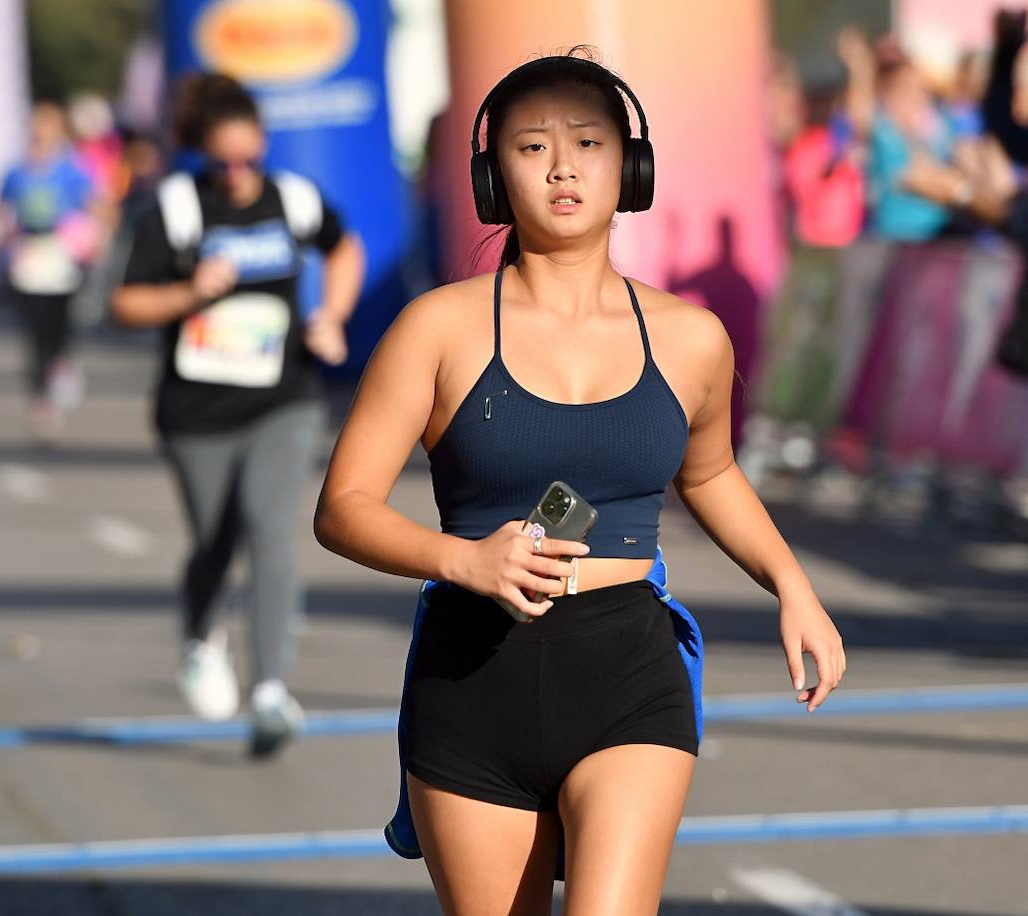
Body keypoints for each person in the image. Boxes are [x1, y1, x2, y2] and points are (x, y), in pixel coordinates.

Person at [312, 50, 846, 913]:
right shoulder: (436, 328)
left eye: (589, 143)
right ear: (491, 181)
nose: (563, 167)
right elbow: (342, 510)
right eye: (531, 148)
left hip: (629, 673)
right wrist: (465, 561)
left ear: (628, 168)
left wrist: (793, 586)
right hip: (471, 680)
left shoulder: (691, 338)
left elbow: (709, 475)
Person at [112, 72, 364, 757]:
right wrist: (189, 293)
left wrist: (332, 315)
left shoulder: (295, 200)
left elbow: (345, 247)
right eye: (220, 162)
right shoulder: (178, 209)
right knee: (214, 543)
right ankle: (199, 635)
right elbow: (126, 302)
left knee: (269, 530)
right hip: (195, 410)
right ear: (203, 155)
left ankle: (271, 692)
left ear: (262, 142)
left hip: (282, 398)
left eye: (246, 158)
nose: (236, 174)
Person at [0, 101, 100, 441]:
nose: (41, 133)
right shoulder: (16, 172)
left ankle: (63, 365)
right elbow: (1, 209)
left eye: (48, 127)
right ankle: (42, 396)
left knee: (62, 325)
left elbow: (99, 206)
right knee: (35, 330)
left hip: (63, 256)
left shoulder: (72, 171)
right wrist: (6, 237)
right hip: (29, 256)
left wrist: (89, 239)